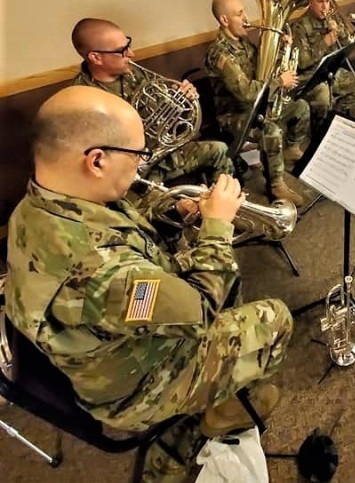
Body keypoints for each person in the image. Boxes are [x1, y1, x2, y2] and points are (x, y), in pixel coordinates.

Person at [5, 87, 293, 445]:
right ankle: (220, 411)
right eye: (138, 155)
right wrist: (218, 225)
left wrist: (176, 208)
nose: (142, 164)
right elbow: (200, 309)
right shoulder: (100, 270)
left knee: (226, 282)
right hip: (140, 388)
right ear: (96, 161)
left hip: (108, 346)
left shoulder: (36, 206)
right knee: (276, 317)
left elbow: (116, 230)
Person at [71, 18, 233, 185]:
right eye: (122, 50)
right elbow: (91, 154)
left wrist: (183, 98)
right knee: (166, 199)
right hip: (129, 171)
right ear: (96, 57)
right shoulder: (80, 99)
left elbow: (167, 117)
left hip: (164, 153)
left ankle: (225, 205)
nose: (131, 54)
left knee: (219, 150)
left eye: (128, 45)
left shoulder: (133, 73)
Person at [205, 0, 309, 206]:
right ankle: (276, 185)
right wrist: (279, 81)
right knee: (271, 130)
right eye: (239, 13)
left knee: (300, 107)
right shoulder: (220, 53)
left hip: (255, 106)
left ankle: (290, 149)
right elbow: (246, 92)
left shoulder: (243, 42)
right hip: (234, 114)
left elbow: (263, 69)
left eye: (244, 11)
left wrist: (281, 49)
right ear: (224, 20)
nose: (246, 18)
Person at [290, 0, 355, 124]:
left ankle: (334, 118)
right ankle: (320, 125)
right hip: (311, 77)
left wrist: (339, 32)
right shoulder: (300, 27)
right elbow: (302, 62)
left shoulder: (331, 20)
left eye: (327, 1)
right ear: (310, 1)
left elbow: (348, 44)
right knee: (324, 99)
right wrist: (324, 43)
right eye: (320, 1)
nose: (325, 6)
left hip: (331, 70)